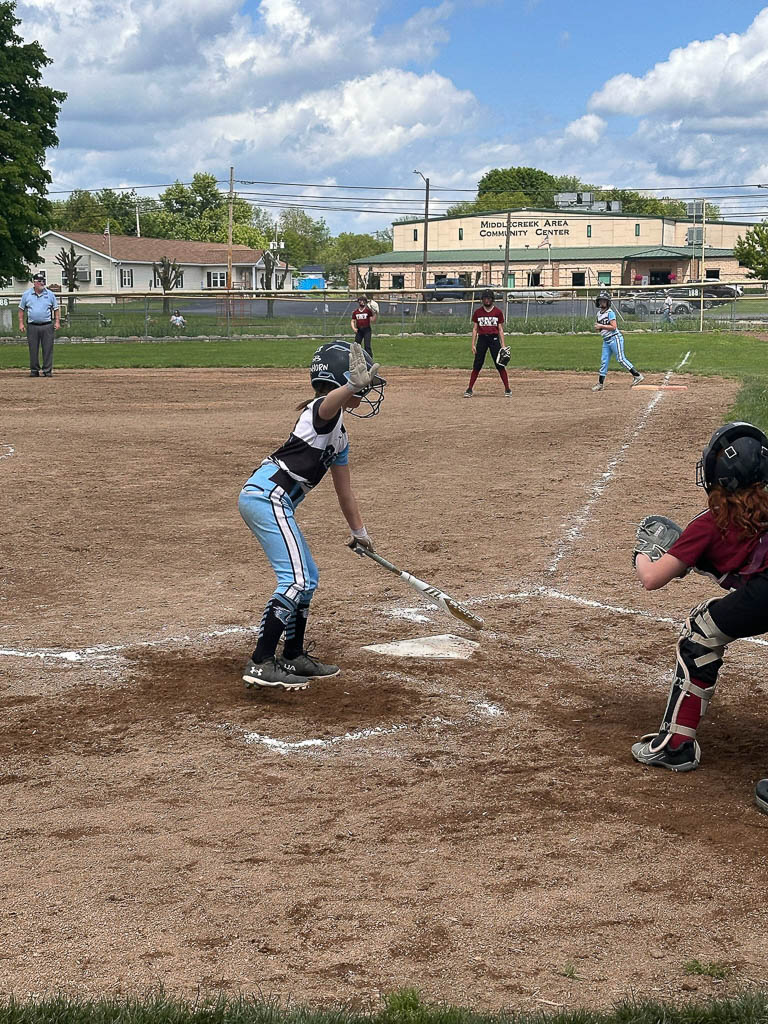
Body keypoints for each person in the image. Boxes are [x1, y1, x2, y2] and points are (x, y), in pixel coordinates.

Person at [631, 423, 768, 812]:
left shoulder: (708, 524)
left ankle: (676, 745)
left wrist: (643, 551)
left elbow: (651, 579)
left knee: (701, 631)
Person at [237, 341, 386, 692]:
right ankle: (260, 662)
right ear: (340, 382)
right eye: (359, 385)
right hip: (265, 497)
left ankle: (292, 654)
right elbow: (328, 405)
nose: (365, 392)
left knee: (309, 577)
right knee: (296, 579)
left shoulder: (339, 438)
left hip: (276, 501)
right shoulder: (320, 412)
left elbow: (344, 492)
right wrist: (350, 387)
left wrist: (360, 533)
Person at [591, 291, 644, 391]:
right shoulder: (599, 314)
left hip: (615, 338)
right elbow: (602, 327)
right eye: (601, 301)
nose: (602, 303)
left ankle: (637, 375)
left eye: (604, 301)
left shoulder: (610, 313)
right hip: (606, 340)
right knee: (604, 361)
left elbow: (614, 327)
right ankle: (600, 384)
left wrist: (601, 326)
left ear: (608, 302)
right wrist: (598, 328)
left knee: (620, 359)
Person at [464, 289, 511, 398]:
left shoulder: (497, 312)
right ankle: (470, 388)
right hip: (482, 339)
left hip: (494, 339)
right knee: (477, 364)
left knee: (500, 364)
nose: (487, 300)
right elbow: (475, 329)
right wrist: (472, 344)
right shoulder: (478, 312)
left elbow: (500, 329)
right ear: (482, 300)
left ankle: (507, 388)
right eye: (485, 298)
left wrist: (503, 345)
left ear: (492, 299)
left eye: (489, 298)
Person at [18, 274, 60, 377]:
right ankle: (34, 370)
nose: (42, 283)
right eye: (40, 281)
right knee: (33, 349)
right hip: (32, 326)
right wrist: (21, 323)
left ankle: (47, 370)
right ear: (35, 282)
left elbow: (56, 309)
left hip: (47, 325)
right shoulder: (27, 294)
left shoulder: (50, 294)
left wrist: (57, 321)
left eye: (43, 281)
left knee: (48, 349)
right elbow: (21, 309)